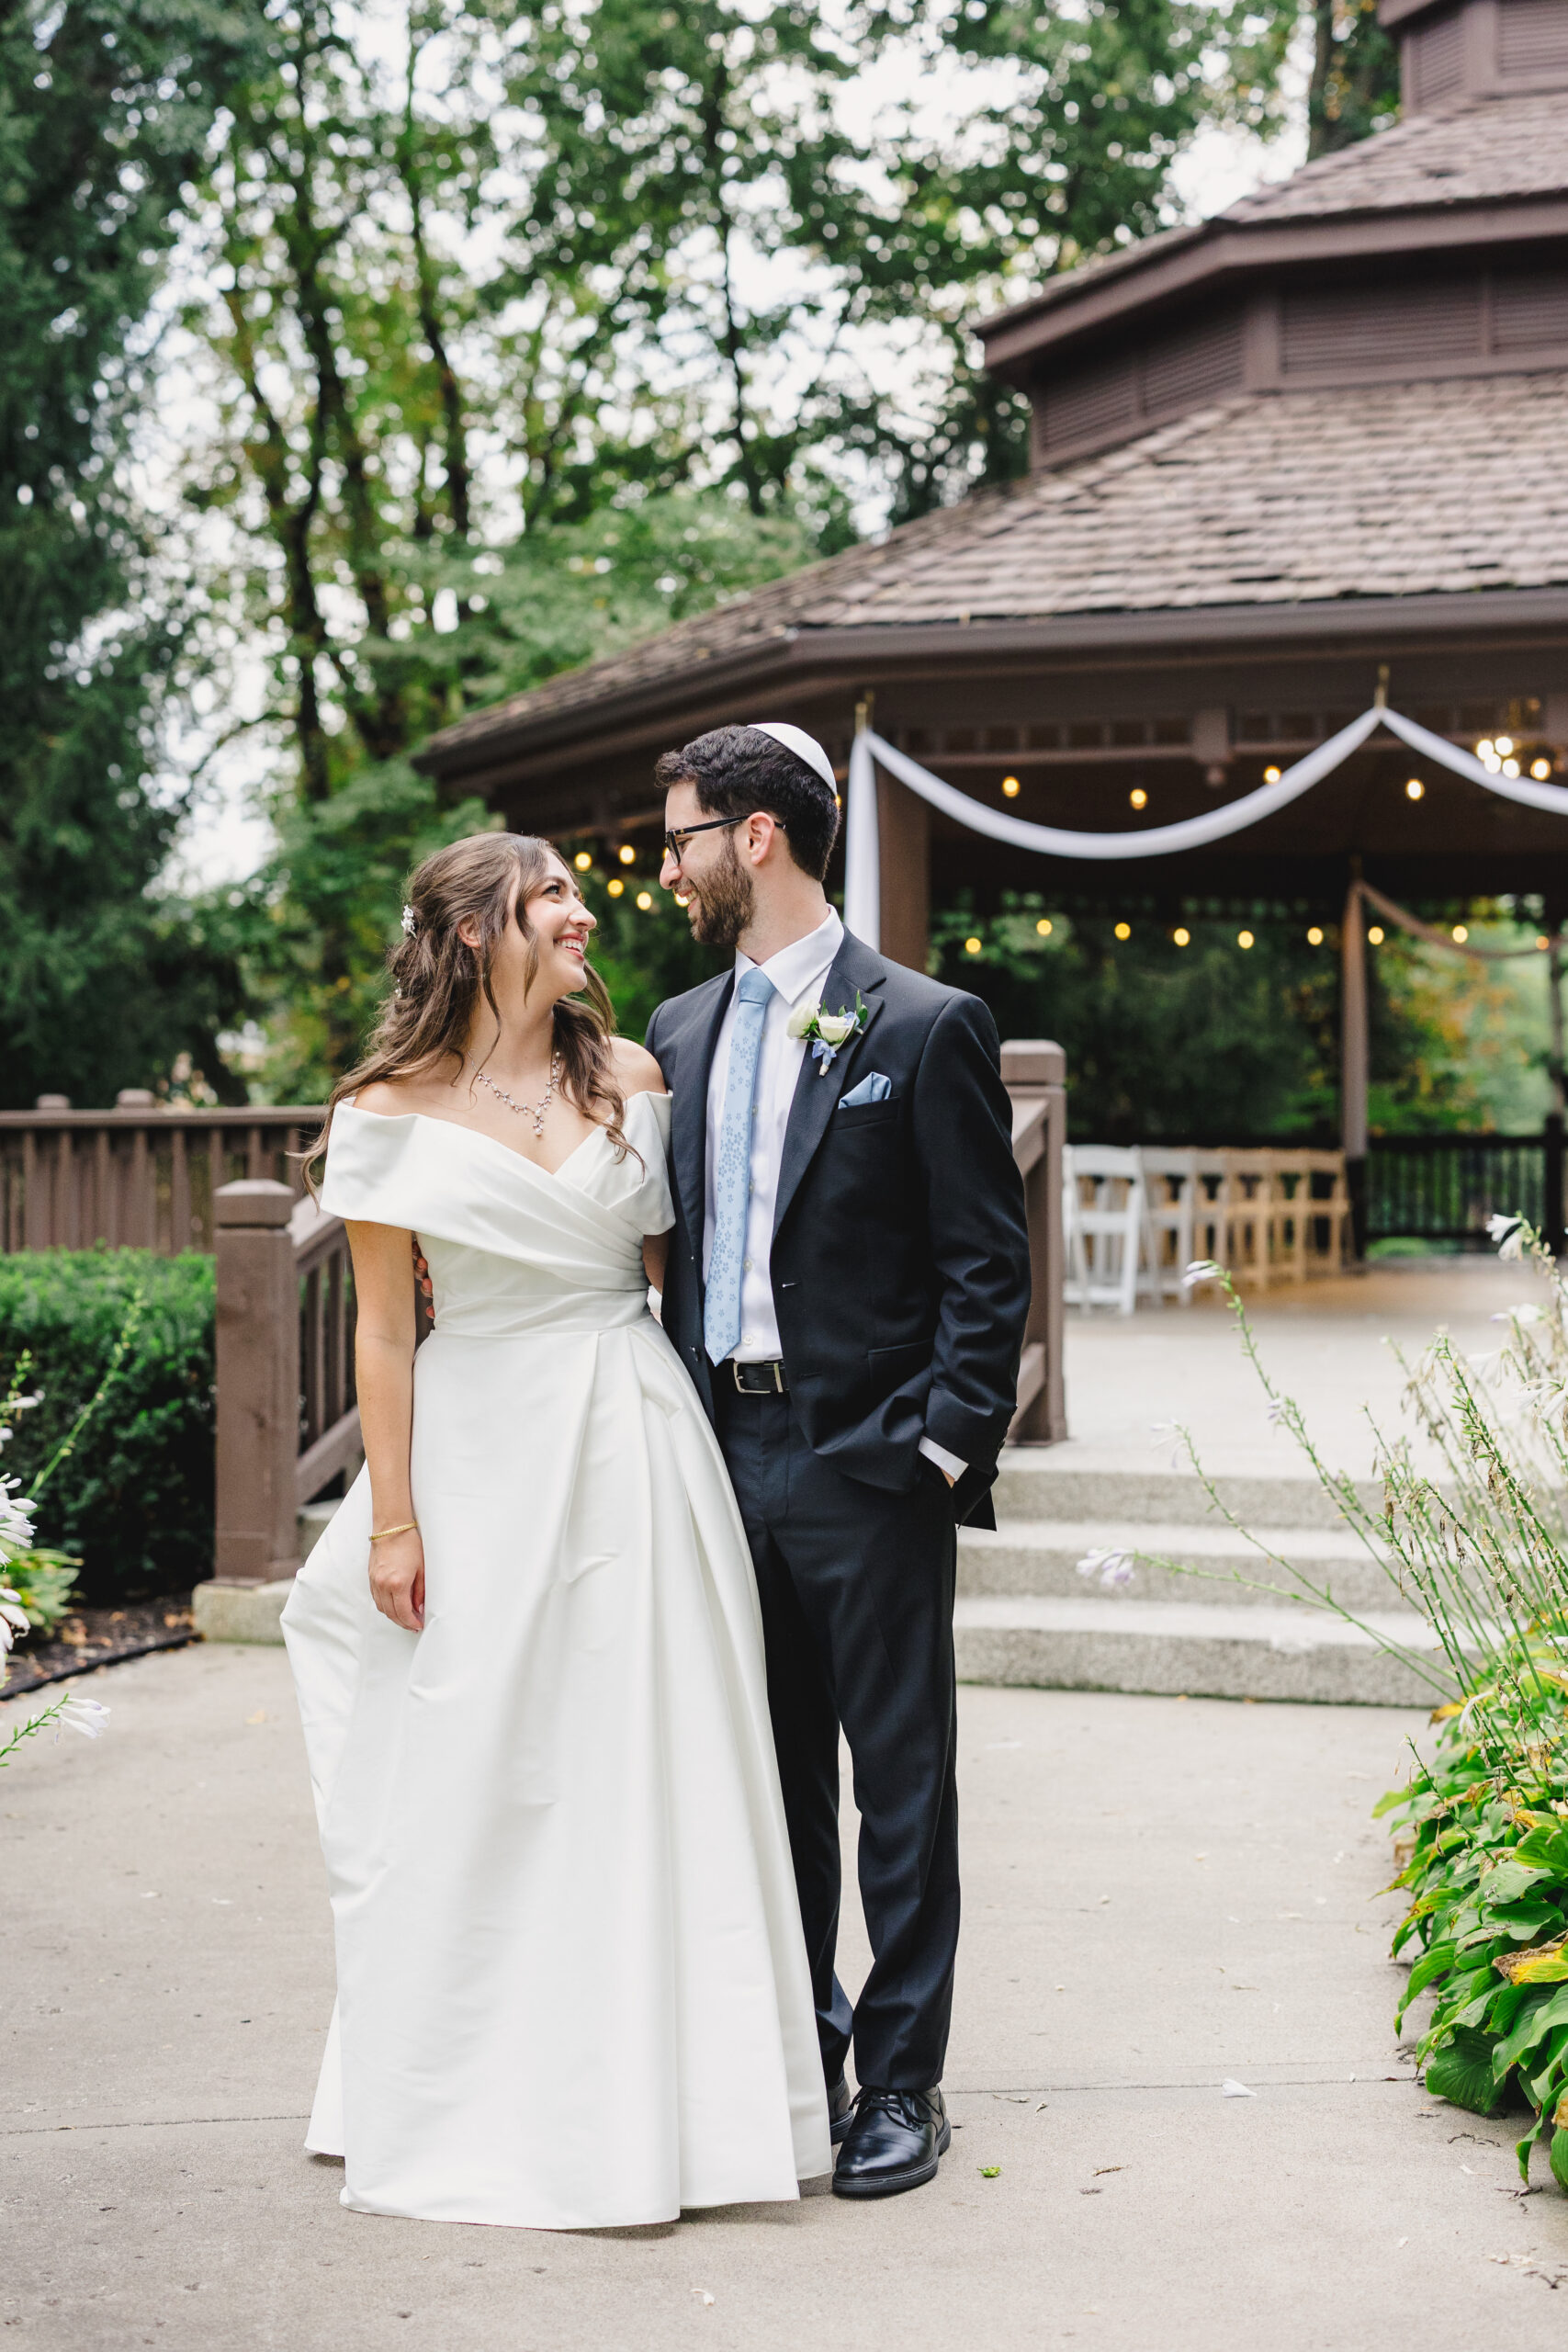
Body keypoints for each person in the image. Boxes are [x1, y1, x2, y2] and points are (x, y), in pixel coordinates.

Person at [281, 831, 829, 2231]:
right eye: (553, 897)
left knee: (648, 1760)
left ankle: (679, 2104)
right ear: (476, 930)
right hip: (477, 1455)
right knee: (484, 1769)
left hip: (637, 1445)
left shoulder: (632, 1079)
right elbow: (388, 1339)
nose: (588, 912)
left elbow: (682, 1279)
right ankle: (468, 2086)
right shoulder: (383, 1110)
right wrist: (391, 1523)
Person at [645, 722, 1031, 2199]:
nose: (664, 863)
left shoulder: (924, 1024)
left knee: (900, 1781)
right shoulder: (675, 1032)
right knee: (770, 1775)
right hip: (712, 1451)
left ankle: (904, 2084)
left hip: (869, 1465)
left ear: (754, 837)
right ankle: (802, 2055)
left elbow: (985, 1267)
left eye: (680, 834)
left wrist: (937, 1450)